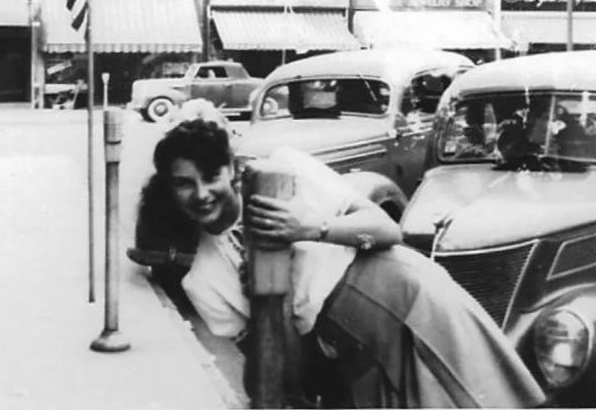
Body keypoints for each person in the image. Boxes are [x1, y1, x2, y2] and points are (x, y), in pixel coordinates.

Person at [138, 99, 546, 409]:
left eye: (211, 176)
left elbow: (387, 230)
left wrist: (310, 230)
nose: (202, 194)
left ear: (230, 167)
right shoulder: (204, 279)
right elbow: (281, 379)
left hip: (409, 298)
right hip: (352, 349)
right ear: (169, 189)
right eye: (184, 184)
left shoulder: (285, 171)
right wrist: (271, 293)